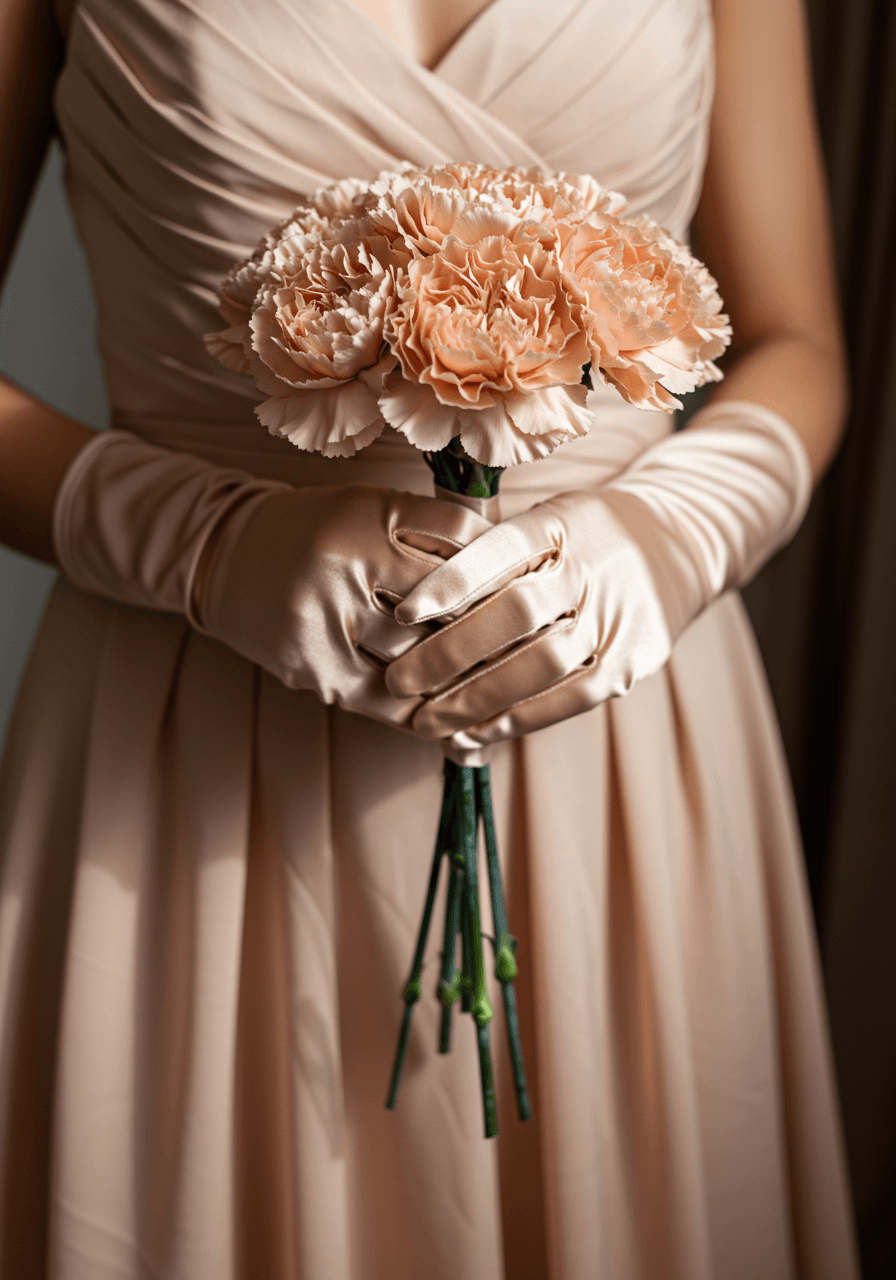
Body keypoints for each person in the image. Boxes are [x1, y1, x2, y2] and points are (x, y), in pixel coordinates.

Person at [0, 0, 860, 1276]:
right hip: (192, 737)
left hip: (613, 719)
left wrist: (676, 532)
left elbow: (796, 340)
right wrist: (199, 541)